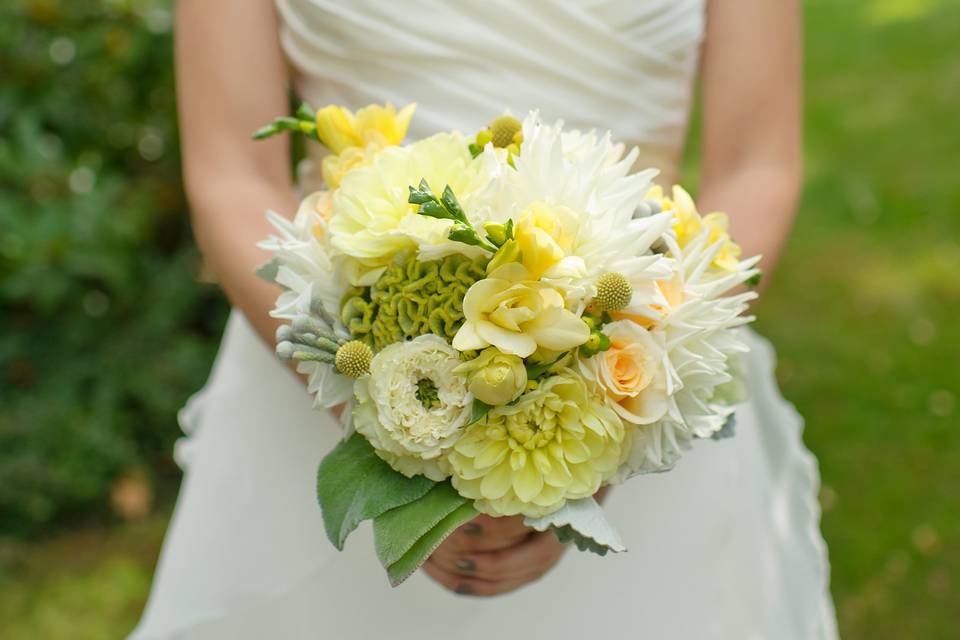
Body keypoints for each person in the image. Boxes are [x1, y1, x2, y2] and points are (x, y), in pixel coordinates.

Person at [131, 1, 838, 638]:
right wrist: (378, 409)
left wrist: (613, 423)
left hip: (639, 364)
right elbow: (232, 174)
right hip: (314, 371)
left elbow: (755, 166)